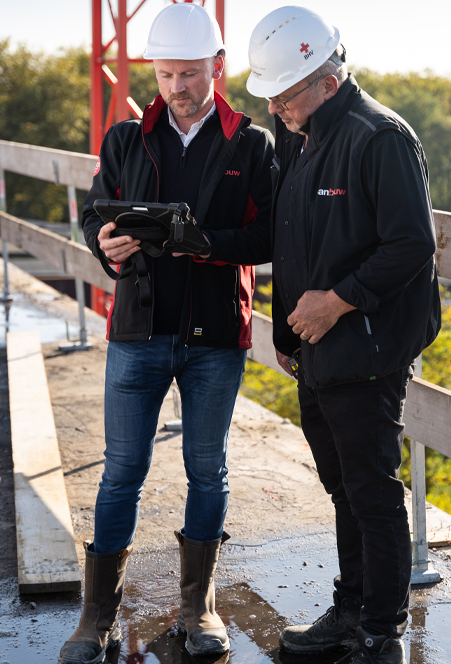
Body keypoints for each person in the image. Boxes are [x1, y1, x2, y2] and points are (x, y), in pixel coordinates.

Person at [58, 4, 274, 663]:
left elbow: (268, 238)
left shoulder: (251, 145)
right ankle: (95, 618)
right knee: (122, 469)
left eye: (188, 73)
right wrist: (107, 245)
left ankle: (198, 608)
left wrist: (202, 244)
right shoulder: (125, 138)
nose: (176, 87)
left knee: (207, 469)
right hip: (138, 329)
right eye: (164, 73)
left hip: (214, 336)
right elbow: (98, 215)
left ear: (217, 67)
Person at [247, 7, 441, 664]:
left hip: (368, 348)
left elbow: (411, 242)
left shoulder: (378, 137)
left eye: (284, 92)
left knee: (372, 490)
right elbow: (296, 239)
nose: (274, 104)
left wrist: (335, 303)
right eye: (269, 94)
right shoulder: (299, 135)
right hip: (318, 352)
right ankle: (351, 607)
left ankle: (380, 634)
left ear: (327, 79)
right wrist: (290, 332)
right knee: (340, 486)